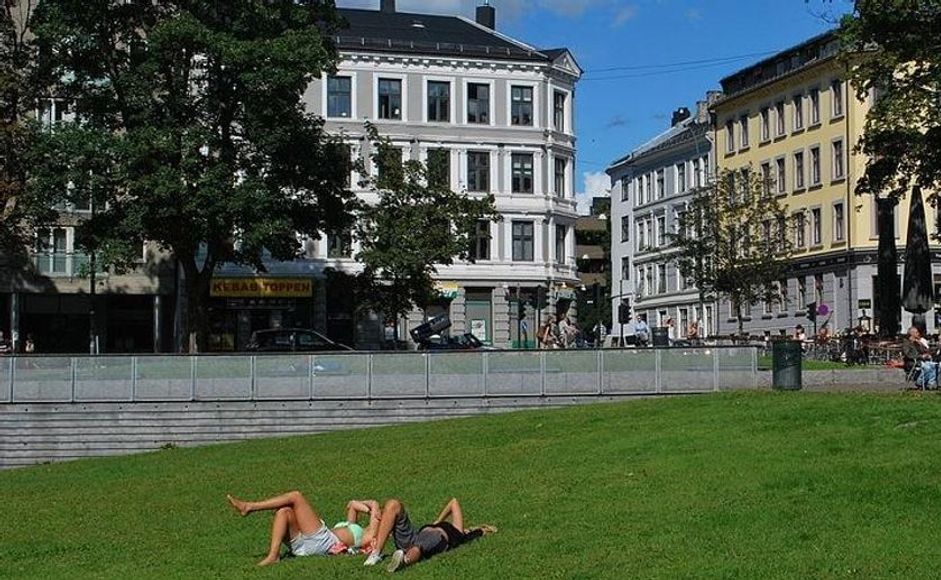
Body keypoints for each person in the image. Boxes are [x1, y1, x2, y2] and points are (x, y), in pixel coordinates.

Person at [226, 491, 382, 566]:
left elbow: (374, 503)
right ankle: (274, 555)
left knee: (296, 496)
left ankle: (250, 506)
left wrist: (371, 510)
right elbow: (352, 504)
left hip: (324, 541)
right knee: (284, 512)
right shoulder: (352, 525)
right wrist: (366, 510)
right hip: (305, 546)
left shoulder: (370, 533)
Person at [364, 498, 496, 572]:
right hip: (415, 535)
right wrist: (438, 521)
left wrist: (440, 522)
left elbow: (454, 503)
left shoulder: (458, 532)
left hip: (436, 539)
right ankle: (376, 553)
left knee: (418, 547)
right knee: (393, 504)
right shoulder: (448, 528)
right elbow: (453, 502)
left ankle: (404, 561)